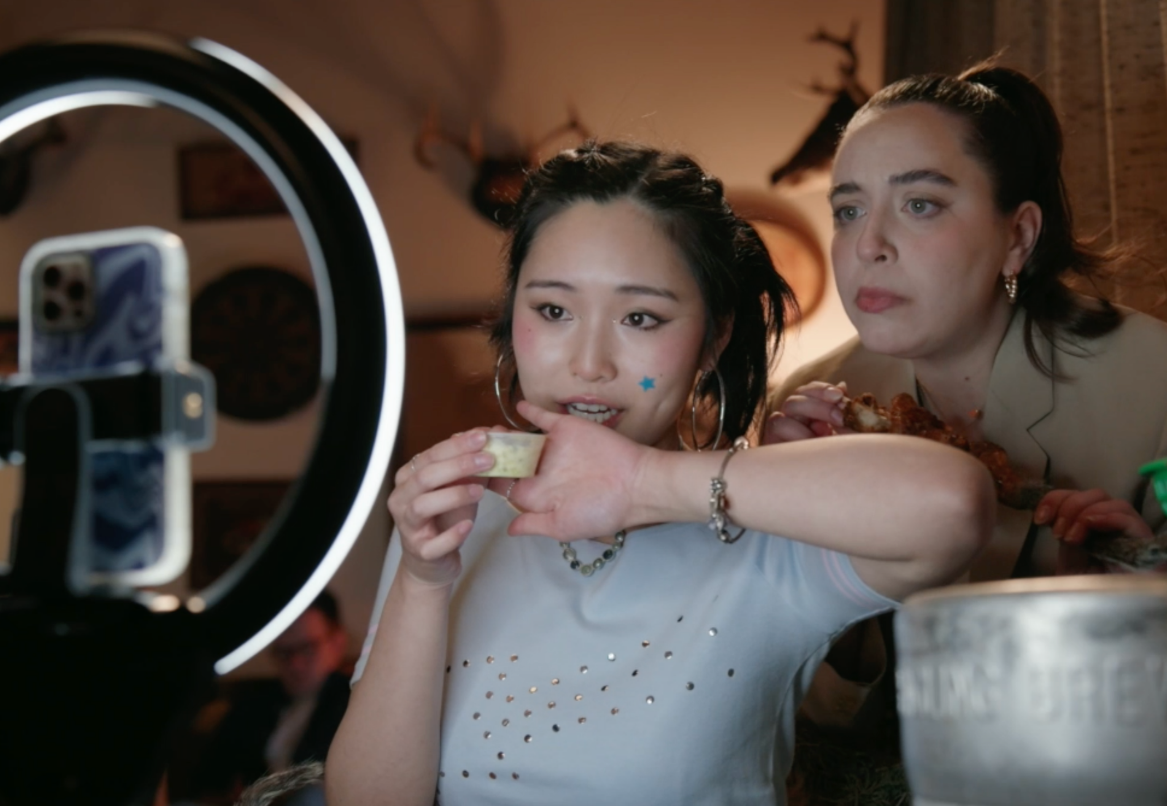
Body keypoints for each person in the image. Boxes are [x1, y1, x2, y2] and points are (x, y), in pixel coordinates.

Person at [326, 141, 995, 806]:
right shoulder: (458, 522)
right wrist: (421, 578)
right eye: (553, 310)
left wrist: (641, 482)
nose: (589, 364)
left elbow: (956, 504)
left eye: (640, 317)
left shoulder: (767, 534)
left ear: (713, 338)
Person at [764, 58, 1167, 782]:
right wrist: (798, 546)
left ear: (1018, 236)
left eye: (920, 204)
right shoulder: (806, 408)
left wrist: (1134, 607)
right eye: (847, 210)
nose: (868, 244)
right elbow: (792, 712)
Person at [189, 591, 352, 804]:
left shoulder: (353, 704)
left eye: (307, 649)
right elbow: (207, 778)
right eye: (284, 653)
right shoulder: (252, 706)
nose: (295, 664)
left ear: (337, 643)